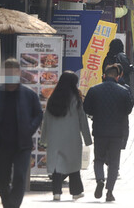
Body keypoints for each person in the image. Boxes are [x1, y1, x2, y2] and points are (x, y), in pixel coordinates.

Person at [0, 58, 43, 208]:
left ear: (19, 73)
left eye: (13, 73)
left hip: (22, 144)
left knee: (19, 177)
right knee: (1, 178)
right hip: (1, 144)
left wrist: (30, 128)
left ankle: (13, 205)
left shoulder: (29, 95)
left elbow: (38, 114)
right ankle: (7, 203)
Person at [83, 65, 134, 202]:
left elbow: (87, 108)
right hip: (117, 131)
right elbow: (128, 109)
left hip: (99, 130)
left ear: (104, 75)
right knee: (114, 162)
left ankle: (100, 179)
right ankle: (109, 191)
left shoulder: (94, 90)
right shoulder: (123, 91)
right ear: (118, 77)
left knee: (98, 158)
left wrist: (97, 113)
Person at [40, 71, 92, 201]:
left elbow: (46, 121)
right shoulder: (76, 99)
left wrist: (44, 139)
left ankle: (56, 192)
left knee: (57, 166)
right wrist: (87, 139)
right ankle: (76, 191)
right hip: (72, 138)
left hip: (54, 138)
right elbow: (83, 120)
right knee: (73, 165)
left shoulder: (52, 99)